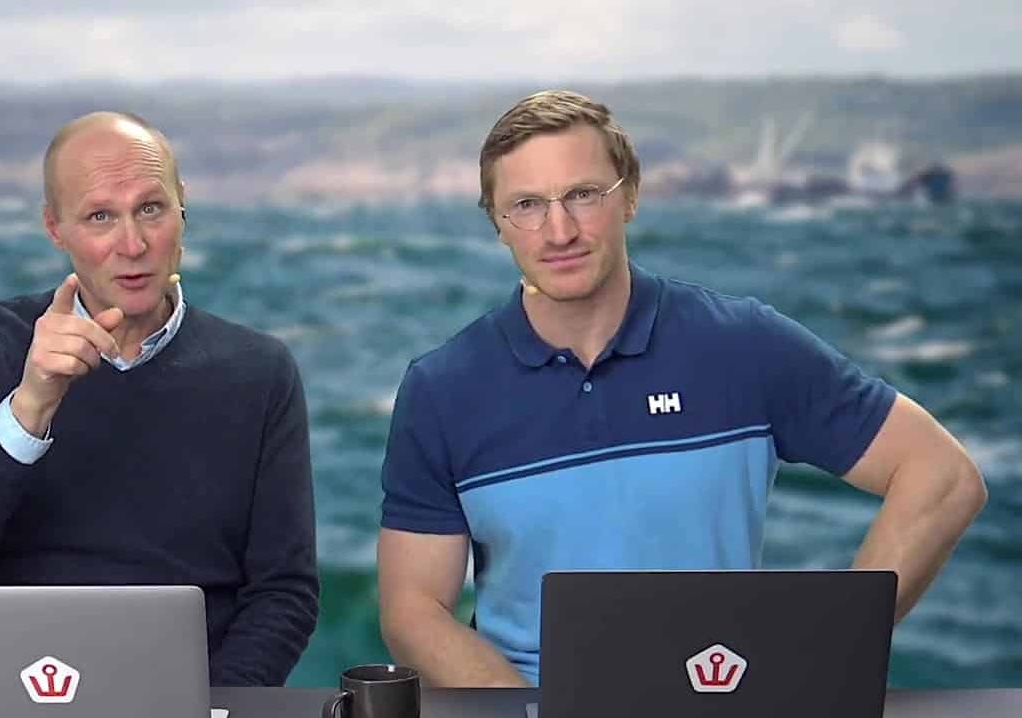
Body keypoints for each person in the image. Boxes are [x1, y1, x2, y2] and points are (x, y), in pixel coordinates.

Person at [375, 90, 987, 687]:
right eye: (527, 205)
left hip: (717, 700)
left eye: (583, 195)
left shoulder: (745, 345)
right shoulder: (441, 391)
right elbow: (414, 610)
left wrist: (828, 656)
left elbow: (943, 477)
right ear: (497, 223)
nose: (558, 231)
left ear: (630, 195)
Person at [0, 111, 318, 686]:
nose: (133, 244)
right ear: (56, 228)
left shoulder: (261, 370)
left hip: (192, 699)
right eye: (100, 216)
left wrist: (213, 708)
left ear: (182, 207)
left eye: (150, 208)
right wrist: (32, 404)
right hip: (17, 692)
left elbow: (283, 593)